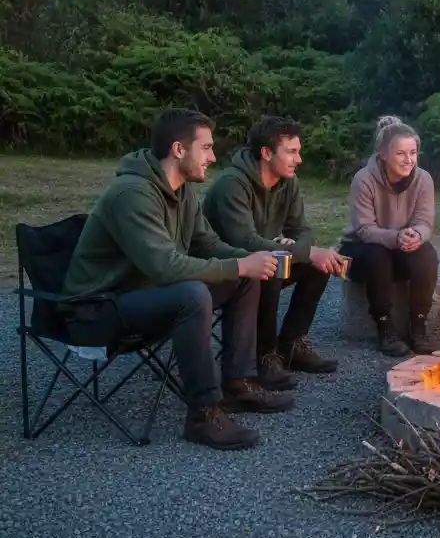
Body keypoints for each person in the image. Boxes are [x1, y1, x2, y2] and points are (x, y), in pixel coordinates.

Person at [61, 108, 295, 451]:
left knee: (245, 279)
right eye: (207, 148)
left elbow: (207, 243)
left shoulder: (182, 191)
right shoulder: (132, 194)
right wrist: (239, 266)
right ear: (179, 150)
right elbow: (165, 267)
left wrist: (248, 261)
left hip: (145, 295)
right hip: (97, 310)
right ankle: (202, 414)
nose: (213, 157)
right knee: (193, 295)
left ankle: (237, 384)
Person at [203, 116, 345, 390]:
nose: (299, 159)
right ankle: (263, 357)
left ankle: (290, 345)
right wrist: (304, 251)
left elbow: (302, 229)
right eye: (291, 152)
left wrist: (308, 251)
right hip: (227, 267)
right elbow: (245, 242)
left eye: (298, 151)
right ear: (267, 153)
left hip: (264, 256)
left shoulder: (287, 181)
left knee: (318, 264)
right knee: (272, 268)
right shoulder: (232, 185)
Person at [340, 115, 439, 357]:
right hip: (362, 248)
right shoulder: (364, 179)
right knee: (377, 254)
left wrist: (416, 234)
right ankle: (385, 326)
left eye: (413, 153)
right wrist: (396, 238)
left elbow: (425, 221)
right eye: (401, 154)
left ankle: (418, 325)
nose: (409, 160)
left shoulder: (423, 179)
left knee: (427, 253)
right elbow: (364, 229)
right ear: (383, 154)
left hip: (402, 246)